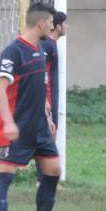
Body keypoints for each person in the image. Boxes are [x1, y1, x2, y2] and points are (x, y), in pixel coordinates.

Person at [0, 2, 64, 211]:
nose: (54, 26)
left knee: (53, 170)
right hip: (16, 127)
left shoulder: (43, 49)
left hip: (39, 127)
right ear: (41, 23)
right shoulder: (14, 50)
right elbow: (0, 86)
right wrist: (9, 123)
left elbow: (40, 84)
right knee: (5, 177)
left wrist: (48, 114)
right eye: (51, 23)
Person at [36, 10, 66, 183]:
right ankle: (43, 180)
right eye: (65, 24)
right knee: (47, 137)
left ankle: (44, 179)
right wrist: (46, 100)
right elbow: (43, 74)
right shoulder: (46, 45)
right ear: (58, 26)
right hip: (46, 99)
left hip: (51, 98)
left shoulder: (52, 44)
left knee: (50, 136)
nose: (67, 27)